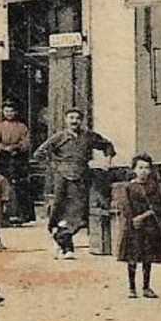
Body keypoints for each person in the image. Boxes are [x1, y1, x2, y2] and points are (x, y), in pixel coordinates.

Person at [32, 109, 115, 260]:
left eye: (77, 118)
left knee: (79, 214)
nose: (74, 121)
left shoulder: (88, 136)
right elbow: (39, 153)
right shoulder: (59, 137)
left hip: (81, 178)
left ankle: (61, 239)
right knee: (59, 210)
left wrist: (107, 161)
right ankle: (65, 245)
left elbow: (107, 145)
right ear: (65, 120)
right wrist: (55, 165)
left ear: (81, 120)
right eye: (71, 118)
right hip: (62, 179)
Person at [115, 154, 161, 299]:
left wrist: (142, 217)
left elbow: (157, 206)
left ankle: (146, 287)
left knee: (147, 257)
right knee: (132, 257)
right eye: (140, 167)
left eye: (146, 168)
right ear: (134, 169)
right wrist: (133, 219)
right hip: (133, 227)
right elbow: (125, 206)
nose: (144, 171)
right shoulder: (128, 187)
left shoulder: (154, 187)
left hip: (149, 225)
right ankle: (131, 287)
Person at [0, 100, 34, 225]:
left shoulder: (22, 126)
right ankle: (4, 215)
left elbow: (27, 142)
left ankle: (21, 215)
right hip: (4, 159)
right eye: (7, 111)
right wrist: (5, 148)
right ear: (3, 112)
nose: (9, 113)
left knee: (19, 185)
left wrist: (17, 147)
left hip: (19, 158)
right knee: (4, 185)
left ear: (16, 112)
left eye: (12, 111)